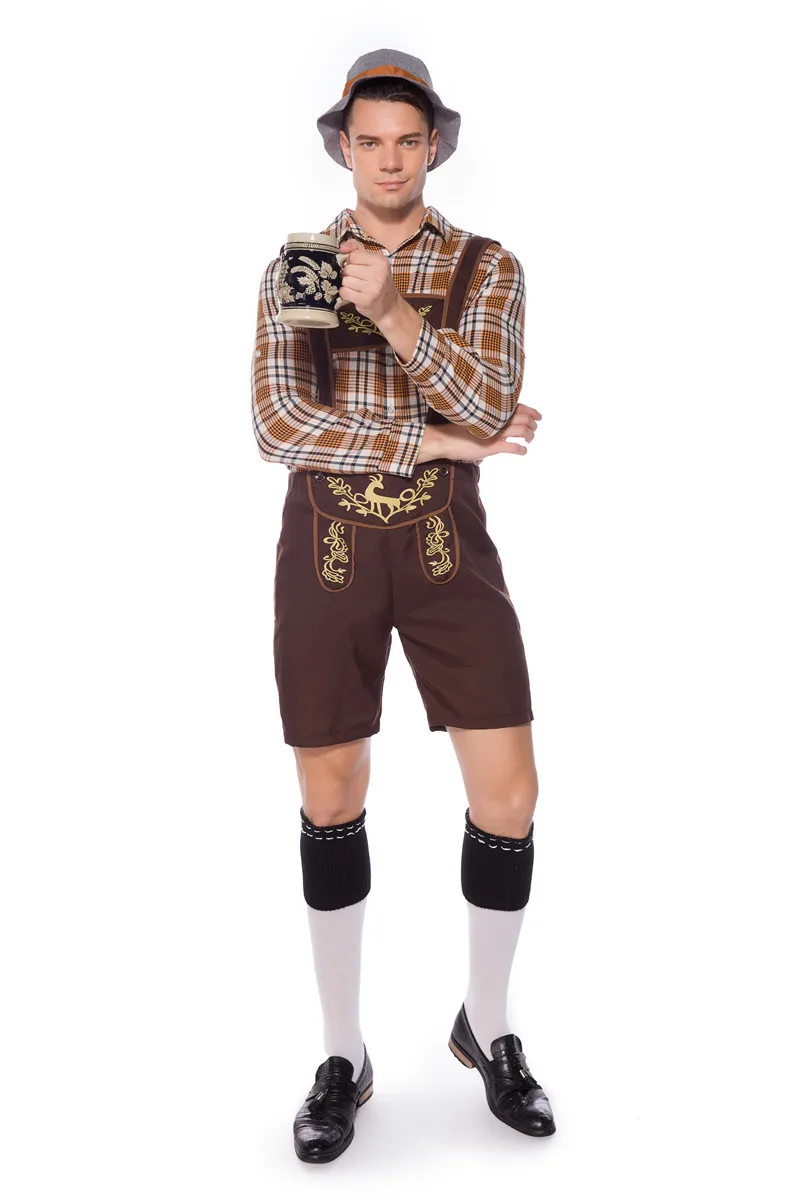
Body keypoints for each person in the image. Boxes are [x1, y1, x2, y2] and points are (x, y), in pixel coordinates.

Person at [250, 48, 555, 1163]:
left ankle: (487, 1022)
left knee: (509, 792)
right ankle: (343, 1054)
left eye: (407, 142)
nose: (388, 161)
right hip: (325, 547)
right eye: (369, 141)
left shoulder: (486, 266)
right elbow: (278, 427)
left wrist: (390, 314)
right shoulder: (298, 270)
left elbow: (492, 395)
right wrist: (432, 439)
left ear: (434, 147)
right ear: (343, 146)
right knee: (331, 788)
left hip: (444, 545)